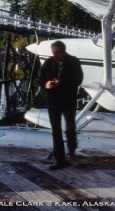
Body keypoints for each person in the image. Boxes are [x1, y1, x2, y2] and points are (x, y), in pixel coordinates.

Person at [39, 40, 83, 170]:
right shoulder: (48, 63)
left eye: (57, 52)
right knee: (55, 131)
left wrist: (61, 82)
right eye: (53, 52)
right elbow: (40, 79)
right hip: (53, 101)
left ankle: (72, 154)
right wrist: (46, 84)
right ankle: (59, 159)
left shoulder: (74, 61)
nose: (55, 55)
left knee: (70, 128)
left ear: (64, 51)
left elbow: (79, 79)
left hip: (68, 100)